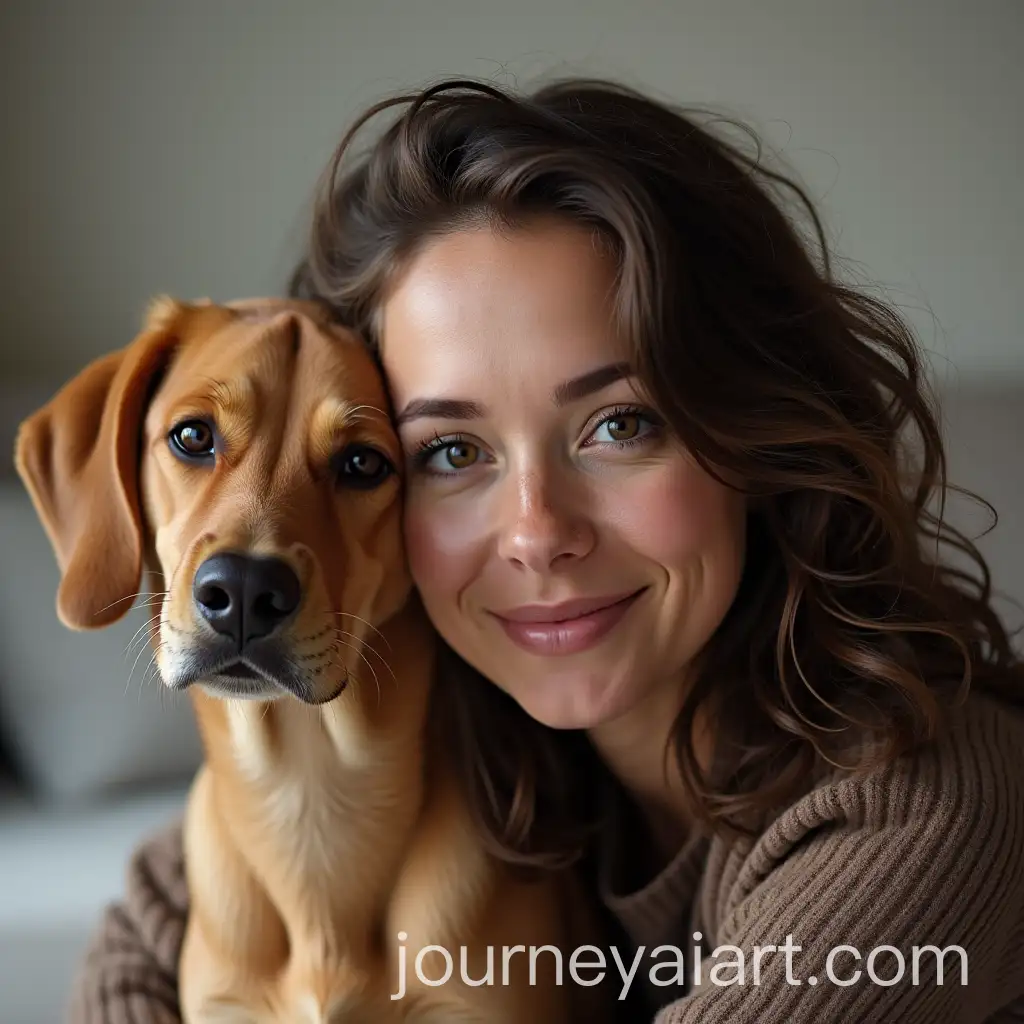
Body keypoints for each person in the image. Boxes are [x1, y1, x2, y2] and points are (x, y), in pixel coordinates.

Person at [68, 77, 1024, 1023]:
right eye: (449, 451)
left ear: (761, 433)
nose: (536, 533)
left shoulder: (925, 810)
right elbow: (157, 912)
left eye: (620, 425)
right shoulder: (503, 737)